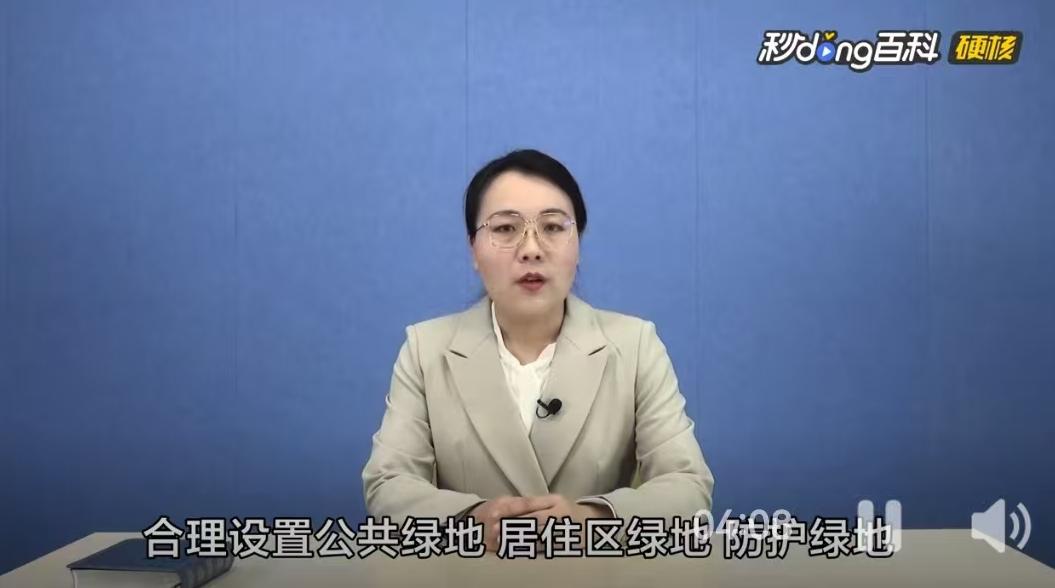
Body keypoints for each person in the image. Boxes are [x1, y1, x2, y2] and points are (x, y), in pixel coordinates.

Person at [362, 149, 714, 551]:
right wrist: (470, 521)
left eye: (552, 227)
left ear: (577, 243)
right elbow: (388, 484)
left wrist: (591, 521)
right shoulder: (426, 350)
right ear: (473, 249)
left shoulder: (635, 345)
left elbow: (688, 486)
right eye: (505, 228)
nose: (531, 248)